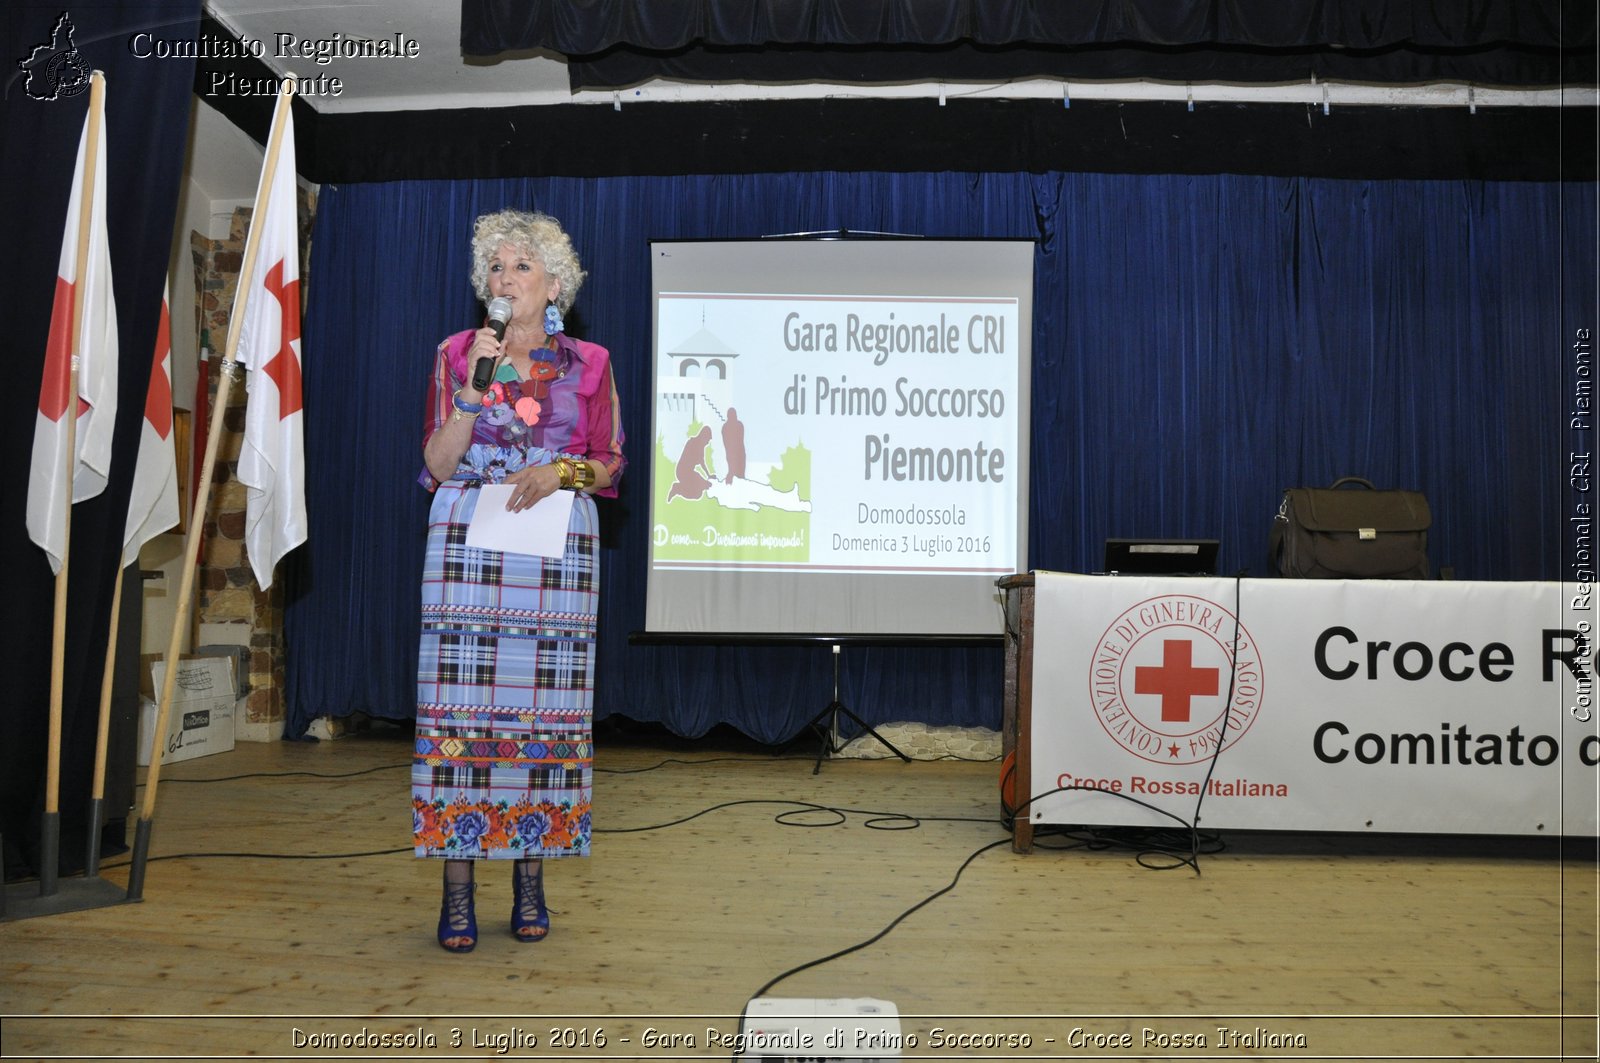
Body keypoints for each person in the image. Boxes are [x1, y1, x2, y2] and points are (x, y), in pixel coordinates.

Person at [411, 209, 625, 952]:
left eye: (521, 267)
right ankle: (457, 889)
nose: (505, 280)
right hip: (467, 548)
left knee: (544, 723)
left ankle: (532, 880)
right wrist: (472, 393)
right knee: (461, 717)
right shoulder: (456, 354)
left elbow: (610, 462)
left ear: (555, 284)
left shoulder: (590, 363)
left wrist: (556, 471)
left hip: (555, 549)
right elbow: (437, 466)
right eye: (495, 269)